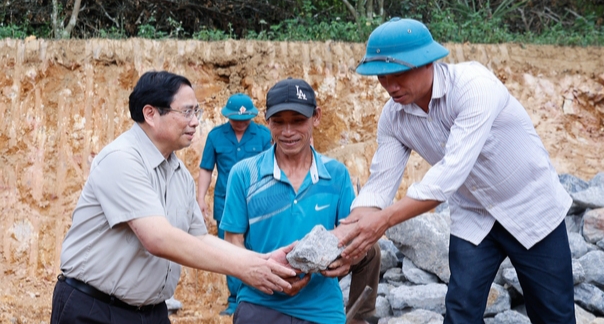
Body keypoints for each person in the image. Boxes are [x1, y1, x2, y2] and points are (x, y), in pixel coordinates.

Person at [337, 18, 575, 324]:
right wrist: (351, 229)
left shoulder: (475, 87)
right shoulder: (394, 117)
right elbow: (379, 184)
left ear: (428, 63)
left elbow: (449, 175)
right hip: (473, 215)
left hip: (531, 207)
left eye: (399, 74)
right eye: (381, 77)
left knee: (553, 313)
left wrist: (381, 222)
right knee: (461, 310)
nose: (390, 86)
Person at [50, 71, 296, 324]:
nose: (195, 122)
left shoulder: (179, 174)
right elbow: (158, 238)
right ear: (151, 114)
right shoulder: (121, 159)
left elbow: (199, 237)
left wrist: (260, 260)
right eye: (187, 112)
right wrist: (244, 270)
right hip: (95, 310)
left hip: (151, 313)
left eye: (196, 112)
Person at [221, 78, 380, 324]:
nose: (288, 132)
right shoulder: (244, 174)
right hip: (259, 304)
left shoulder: (336, 175)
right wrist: (262, 273)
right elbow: (232, 242)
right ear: (266, 120)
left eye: (298, 121)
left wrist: (348, 261)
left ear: (316, 116)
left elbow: (353, 240)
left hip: (322, 309)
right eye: (278, 122)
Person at [197, 93, 272, 315]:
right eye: (236, 119)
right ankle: (235, 299)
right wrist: (200, 198)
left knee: (256, 246)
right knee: (230, 249)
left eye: (245, 119)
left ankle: (257, 296)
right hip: (226, 203)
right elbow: (206, 168)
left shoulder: (263, 135)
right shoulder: (215, 136)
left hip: (257, 202)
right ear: (227, 117)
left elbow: (272, 165)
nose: (241, 123)